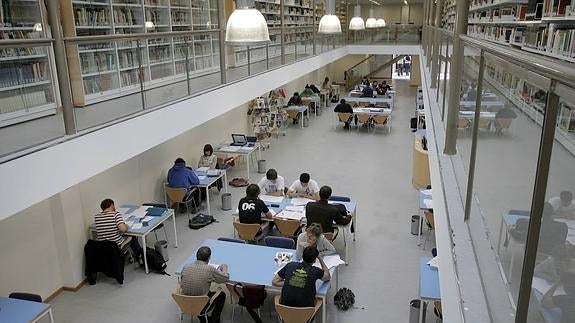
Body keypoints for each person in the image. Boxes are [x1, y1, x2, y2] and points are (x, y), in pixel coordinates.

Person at [180, 246, 229, 323]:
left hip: (185, 303)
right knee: (222, 295)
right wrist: (224, 269)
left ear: (196, 256)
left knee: (200, 289)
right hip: (201, 305)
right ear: (209, 258)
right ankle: (214, 320)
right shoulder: (210, 269)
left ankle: (202, 319)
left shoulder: (186, 266)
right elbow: (225, 279)